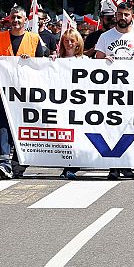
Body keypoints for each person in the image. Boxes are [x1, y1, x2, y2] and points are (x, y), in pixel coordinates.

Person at [95, 1, 134, 180]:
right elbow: (96, 63)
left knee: (130, 127)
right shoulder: (105, 37)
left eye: (126, 14)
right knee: (112, 127)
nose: (123, 17)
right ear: (116, 16)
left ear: (132, 17)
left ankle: (127, 164)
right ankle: (113, 166)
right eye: (120, 14)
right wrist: (105, 61)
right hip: (111, 92)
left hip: (132, 91)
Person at [0, 6, 46, 179]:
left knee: (24, 126)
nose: (16, 21)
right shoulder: (0, 37)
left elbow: (40, 65)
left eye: (19, 18)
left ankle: (18, 161)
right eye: (13, 17)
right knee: (3, 124)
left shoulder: (33, 39)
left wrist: (30, 62)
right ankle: (3, 162)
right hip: (5, 91)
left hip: (26, 91)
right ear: (9, 19)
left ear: (25, 20)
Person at [53, 28, 85, 179]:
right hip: (61, 106)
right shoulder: (56, 61)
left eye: (72, 40)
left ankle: (71, 166)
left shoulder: (85, 61)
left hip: (79, 106)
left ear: (78, 42)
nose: (69, 43)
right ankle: (68, 165)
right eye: (66, 41)